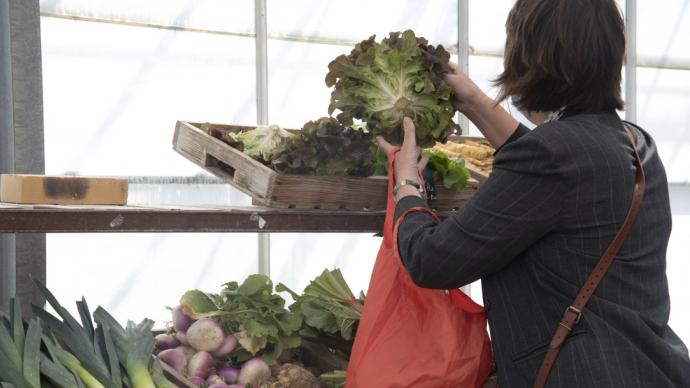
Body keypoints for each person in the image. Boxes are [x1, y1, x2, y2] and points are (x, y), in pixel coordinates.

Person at [376, 0, 690, 386]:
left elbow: (431, 261)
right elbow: (552, 175)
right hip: (650, 368)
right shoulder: (635, 143)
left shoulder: (551, 156)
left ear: (532, 58)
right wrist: (474, 101)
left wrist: (407, 185)